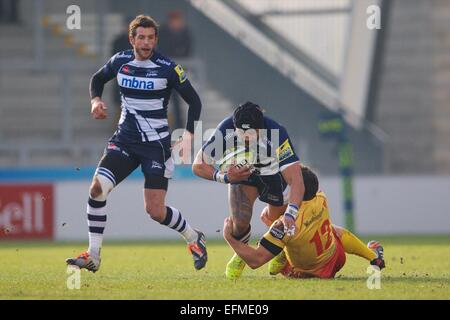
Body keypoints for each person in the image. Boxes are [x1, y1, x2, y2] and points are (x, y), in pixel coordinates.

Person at [66, 15, 206, 272]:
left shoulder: (168, 68)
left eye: (151, 38)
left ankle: (193, 237)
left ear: (156, 40)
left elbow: (195, 102)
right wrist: (95, 101)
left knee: (155, 210)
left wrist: (188, 135)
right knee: (97, 189)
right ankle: (93, 255)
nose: (146, 42)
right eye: (141, 37)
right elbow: (97, 79)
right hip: (125, 141)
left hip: (156, 146)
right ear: (132, 39)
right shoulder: (120, 61)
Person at [192, 102, 305, 279]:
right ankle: (241, 256)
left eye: (251, 133)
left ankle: (281, 252)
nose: (245, 137)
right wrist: (225, 177)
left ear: (261, 127)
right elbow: (198, 165)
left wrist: (291, 213)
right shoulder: (226, 128)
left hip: (273, 175)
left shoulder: (276, 132)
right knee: (239, 221)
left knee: (276, 222)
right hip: (243, 175)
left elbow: (296, 179)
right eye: (241, 132)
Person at [222, 165, 385, 279]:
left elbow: (257, 260)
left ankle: (278, 252)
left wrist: (230, 238)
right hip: (336, 259)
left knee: (268, 219)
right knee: (334, 230)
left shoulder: (284, 224)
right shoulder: (320, 197)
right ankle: (373, 256)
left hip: (300, 272)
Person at [158, 10, 193, 131]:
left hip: (178, 72)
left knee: (178, 101)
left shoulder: (185, 33)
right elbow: (161, 50)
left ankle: (179, 126)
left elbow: (187, 51)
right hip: (164, 72)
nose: (177, 23)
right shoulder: (162, 33)